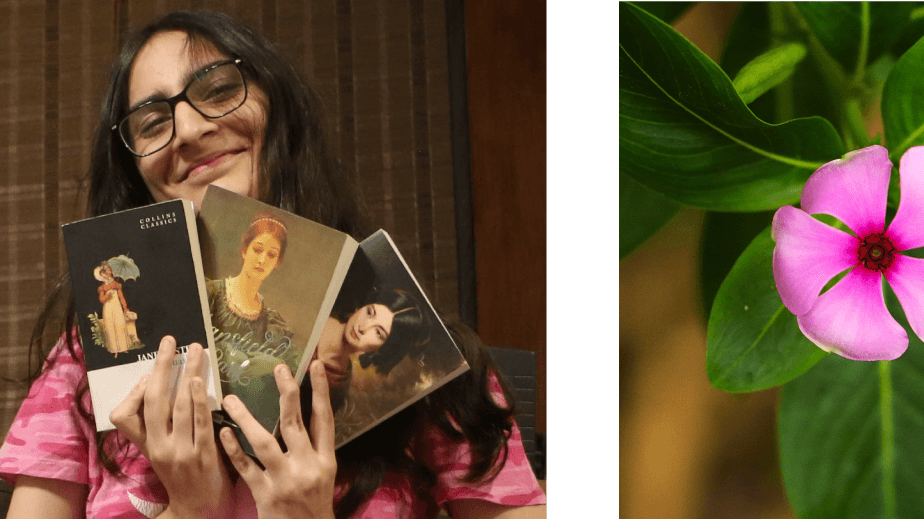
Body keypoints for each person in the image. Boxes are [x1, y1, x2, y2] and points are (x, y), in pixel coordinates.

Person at [1, 9, 546, 519]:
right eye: (150, 123)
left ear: (277, 107)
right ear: (136, 171)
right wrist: (189, 510)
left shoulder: (418, 353)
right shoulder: (85, 361)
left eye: (217, 89)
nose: (188, 130)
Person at [208, 213, 299, 433]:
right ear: (244, 250)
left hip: (238, 424)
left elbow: (289, 379)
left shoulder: (273, 324)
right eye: (257, 250)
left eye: (271, 255)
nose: (261, 260)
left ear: (277, 263)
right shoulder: (210, 293)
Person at [318, 286, 431, 413]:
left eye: (378, 333)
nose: (364, 327)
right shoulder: (316, 316)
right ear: (360, 307)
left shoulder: (340, 385)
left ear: (382, 348)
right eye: (370, 313)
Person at [94, 263, 138, 357]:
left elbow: (121, 297)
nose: (108, 273)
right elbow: (101, 299)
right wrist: (107, 296)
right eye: (106, 271)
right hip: (108, 308)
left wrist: (125, 309)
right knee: (110, 327)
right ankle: (115, 350)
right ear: (103, 274)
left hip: (117, 307)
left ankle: (123, 348)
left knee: (120, 325)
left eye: (109, 270)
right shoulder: (102, 287)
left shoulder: (117, 285)